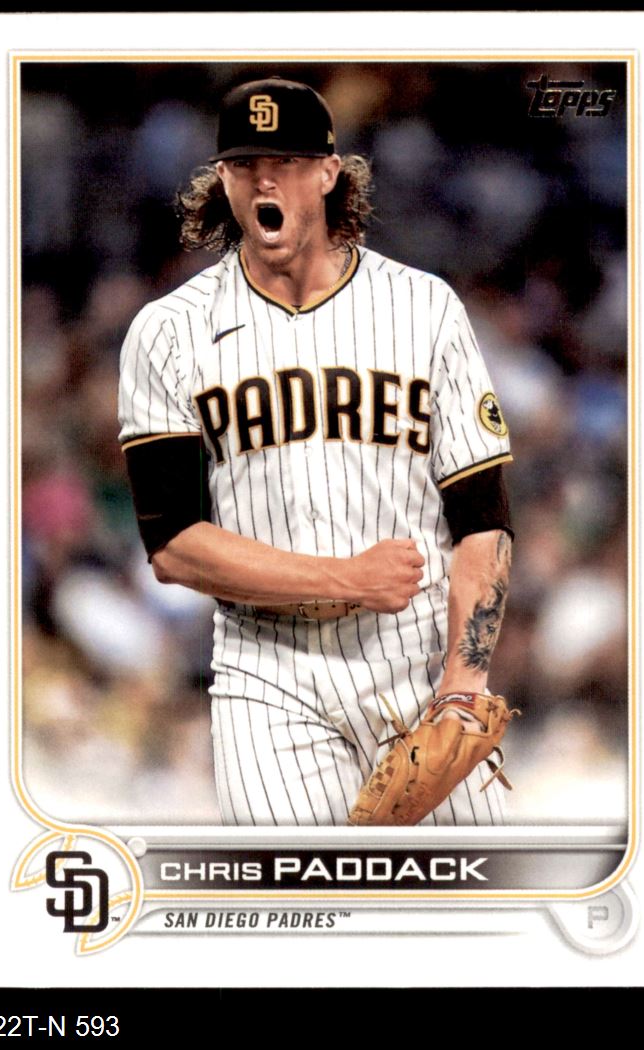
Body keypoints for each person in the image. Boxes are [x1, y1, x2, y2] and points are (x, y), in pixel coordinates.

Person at [118, 77, 514, 826]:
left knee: (464, 897)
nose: (265, 181)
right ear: (223, 179)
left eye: (289, 162)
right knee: (302, 892)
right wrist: (349, 579)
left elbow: (482, 517)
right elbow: (172, 545)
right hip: (266, 671)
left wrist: (464, 683)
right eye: (245, 164)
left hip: (419, 662)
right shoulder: (168, 331)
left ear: (330, 173)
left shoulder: (424, 307)